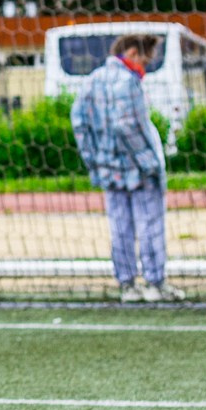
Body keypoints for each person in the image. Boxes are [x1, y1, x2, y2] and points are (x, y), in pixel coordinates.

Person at [71, 34, 181, 304]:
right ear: (132, 53)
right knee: (150, 225)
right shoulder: (127, 81)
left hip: (109, 170)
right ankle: (155, 282)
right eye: (146, 59)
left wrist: (94, 162)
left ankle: (127, 284)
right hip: (139, 171)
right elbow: (126, 124)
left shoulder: (92, 80)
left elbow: (78, 122)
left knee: (120, 228)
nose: (147, 65)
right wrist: (149, 162)